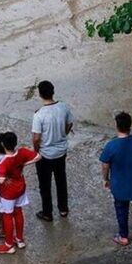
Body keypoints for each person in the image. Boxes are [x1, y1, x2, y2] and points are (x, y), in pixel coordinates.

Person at [99, 112, 132, 246]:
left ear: (117, 126)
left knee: (121, 209)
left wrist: (105, 179)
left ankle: (123, 236)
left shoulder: (111, 146)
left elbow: (105, 165)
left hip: (119, 185)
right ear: (130, 125)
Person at [31, 80, 74, 222]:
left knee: (45, 184)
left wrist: (36, 151)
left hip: (45, 154)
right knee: (61, 180)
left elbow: (36, 138)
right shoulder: (63, 107)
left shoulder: (39, 115)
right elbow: (69, 123)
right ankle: (63, 208)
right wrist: (62, 135)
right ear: (53, 92)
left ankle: (47, 212)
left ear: (40, 94)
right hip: (61, 151)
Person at [0, 132, 41, 254]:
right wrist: (24, 164)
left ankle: (9, 244)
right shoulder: (22, 152)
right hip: (20, 187)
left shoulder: (3, 162)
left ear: (3, 145)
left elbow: (1, 179)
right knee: (18, 212)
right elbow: (38, 157)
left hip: (8, 193)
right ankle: (19, 239)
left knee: (7, 216)